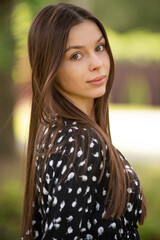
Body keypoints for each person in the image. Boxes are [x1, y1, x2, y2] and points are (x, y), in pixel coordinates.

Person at [21, 3, 147, 240]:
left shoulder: (60, 133)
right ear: (50, 67)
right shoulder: (80, 143)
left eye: (99, 47)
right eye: (76, 55)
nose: (97, 63)